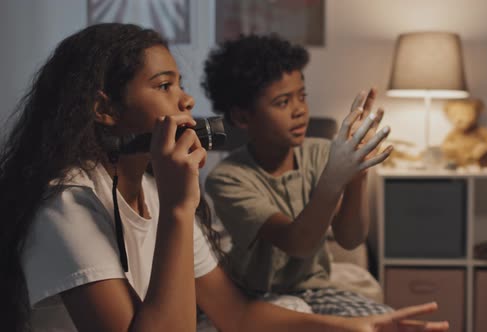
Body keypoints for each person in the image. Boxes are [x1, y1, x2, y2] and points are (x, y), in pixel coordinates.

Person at [0, 23, 448, 332]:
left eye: (179, 83)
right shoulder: (67, 205)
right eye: (163, 86)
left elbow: (237, 315)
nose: (186, 99)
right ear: (104, 109)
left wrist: (355, 326)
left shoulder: (156, 190)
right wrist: (179, 208)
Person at [202, 34, 404, 317]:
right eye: (283, 102)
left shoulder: (321, 154)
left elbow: (350, 239)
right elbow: (297, 243)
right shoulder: (228, 178)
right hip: (255, 296)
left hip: (316, 290)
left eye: (302, 96)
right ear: (242, 117)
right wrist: (334, 178)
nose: (300, 110)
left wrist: (358, 171)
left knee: (385, 321)